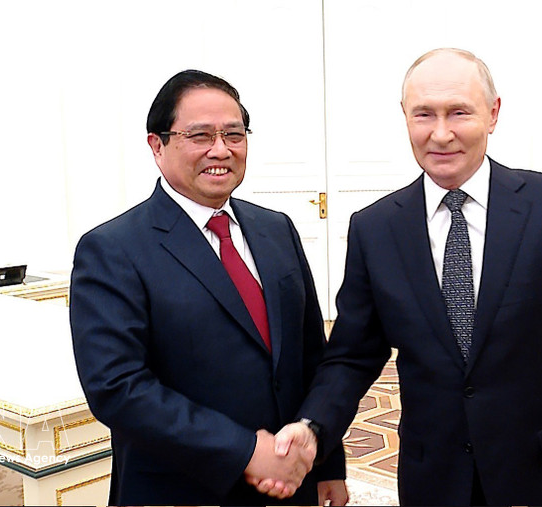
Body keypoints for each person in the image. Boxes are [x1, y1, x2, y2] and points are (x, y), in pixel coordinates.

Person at [264, 48, 542, 506]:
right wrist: (313, 427)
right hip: (434, 479)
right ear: (405, 116)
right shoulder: (375, 228)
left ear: (493, 113)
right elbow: (352, 356)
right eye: (424, 114)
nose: (441, 134)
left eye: (459, 112)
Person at [69, 69, 347, 506]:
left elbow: (311, 354)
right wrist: (244, 451)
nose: (221, 149)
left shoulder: (276, 229)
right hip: (181, 489)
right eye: (200, 135)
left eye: (234, 134)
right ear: (157, 145)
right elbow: (118, 388)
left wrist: (327, 463)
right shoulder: (112, 249)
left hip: (290, 483)